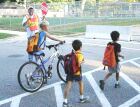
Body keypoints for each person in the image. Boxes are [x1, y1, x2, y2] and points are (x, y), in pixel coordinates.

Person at [63, 40, 89, 107]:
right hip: (77, 73)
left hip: (70, 72)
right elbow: (79, 64)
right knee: (80, 84)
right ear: (80, 47)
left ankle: (65, 102)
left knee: (68, 86)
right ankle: (81, 98)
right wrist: (83, 62)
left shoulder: (72, 53)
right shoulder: (80, 54)